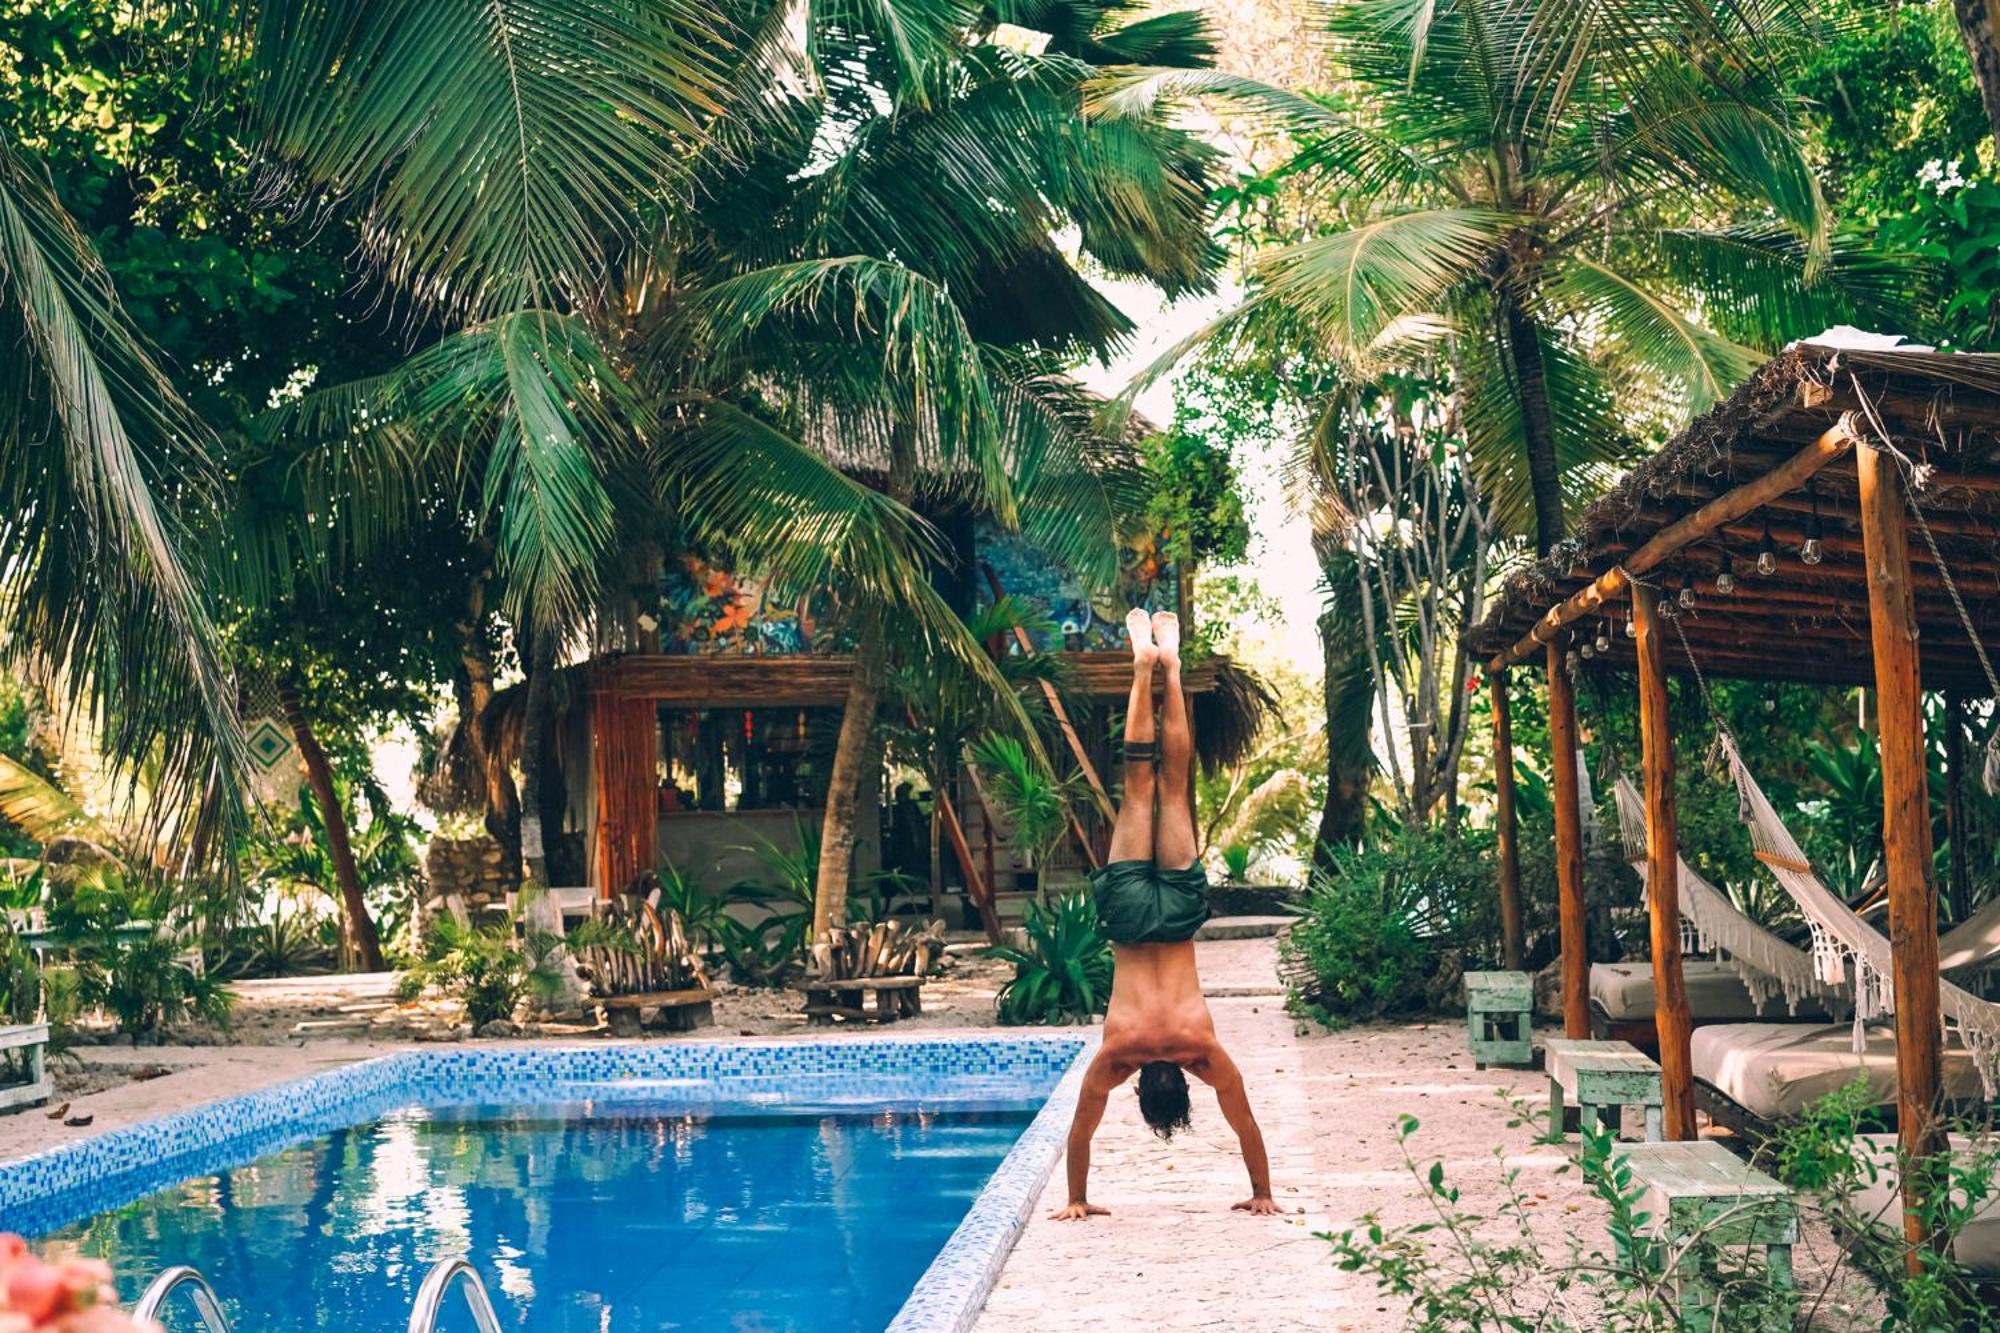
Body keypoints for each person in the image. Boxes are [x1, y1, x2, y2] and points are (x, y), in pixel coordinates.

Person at [1052, 608, 1279, 1222]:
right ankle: (1141, 667)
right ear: (1141, 1086)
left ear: (1184, 1083)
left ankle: (1169, 667)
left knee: (1173, 788)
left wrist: (1264, 1190)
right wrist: (1077, 1198)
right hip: (1127, 918)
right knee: (1139, 786)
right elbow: (1080, 1133)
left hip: (1176, 917)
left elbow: (1246, 1125)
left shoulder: (1199, 1049)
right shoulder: (1117, 1055)